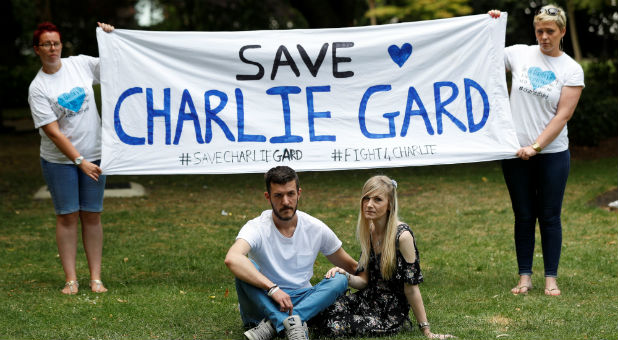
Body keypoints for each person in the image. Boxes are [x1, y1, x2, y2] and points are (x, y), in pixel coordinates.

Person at [489, 6, 584, 296]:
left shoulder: (571, 69)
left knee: (550, 216)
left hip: (552, 154)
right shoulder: (519, 53)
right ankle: (524, 278)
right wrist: (490, 25)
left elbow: (562, 115)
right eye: (540, 30)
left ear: (562, 32)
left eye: (550, 31)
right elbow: (485, 55)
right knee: (524, 216)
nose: (544, 36)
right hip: (515, 153)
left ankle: (551, 279)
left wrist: (536, 146)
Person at [28, 21, 115, 294]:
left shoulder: (80, 64)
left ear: (61, 45)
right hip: (60, 162)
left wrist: (112, 39)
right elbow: (53, 133)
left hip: (95, 155)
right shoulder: (38, 87)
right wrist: (80, 161)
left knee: (92, 215)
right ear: (37, 50)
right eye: (46, 44)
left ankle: (96, 278)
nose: (52, 48)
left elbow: (117, 65)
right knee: (67, 216)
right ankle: (71, 279)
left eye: (56, 43)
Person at [310, 175, 453, 339]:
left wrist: (426, 331)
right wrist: (345, 275)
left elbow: (411, 288)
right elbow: (364, 282)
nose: (369, 204)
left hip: (389, 313)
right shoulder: (369, 230)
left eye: (378, 199)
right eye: (366, 198)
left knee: (333, 326)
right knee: (322, 309)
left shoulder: (403, 237)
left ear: (389, 205)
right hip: (366, 300)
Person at [224, 166, 358, 340]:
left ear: (299, 193)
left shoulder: (315, 227)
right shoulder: (255, 227)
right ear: (268, 197)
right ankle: (291, 323)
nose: (286, 202)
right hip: (264, 302)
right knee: (244, 267)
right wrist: (273, 289)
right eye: (278, 196)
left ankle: (274, 325)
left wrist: (385, 280)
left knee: (340, 279)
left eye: (290, 194)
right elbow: (232, 258)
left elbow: (352, 266)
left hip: (302, 300)